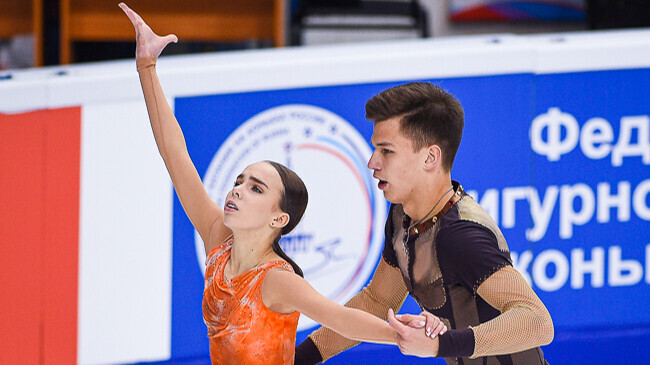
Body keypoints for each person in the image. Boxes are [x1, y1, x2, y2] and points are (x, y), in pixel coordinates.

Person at [118, 3, 447, 364]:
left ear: (279, 219)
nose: (239, 190)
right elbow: (174, 154)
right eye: (240, 181)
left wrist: (402, 334)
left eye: (256, 188)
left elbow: (340, 319)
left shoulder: (277, 281)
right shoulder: (218, 242)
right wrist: (146, 66)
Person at [295, 82, 555, 364]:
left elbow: (537, 321)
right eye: (375, 149)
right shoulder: (403, 217)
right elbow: (378, 302)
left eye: (387, 151)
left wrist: (441, 345)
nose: (372, 162)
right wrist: (298, 358)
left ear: (430, 157)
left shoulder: (462, 236)